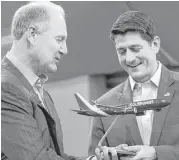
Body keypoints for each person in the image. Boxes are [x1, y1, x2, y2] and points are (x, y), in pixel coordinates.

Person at [88, 11, 179, 160]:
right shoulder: (103, 106)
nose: (129, 58)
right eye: (122, 51)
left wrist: (157, 153)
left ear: (155, 44)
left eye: (135, 49)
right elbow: (92, 156)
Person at [1, 2, 82, 160]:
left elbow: (55, 155)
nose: (65, 50)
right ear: (32, 34)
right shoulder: (5, 89)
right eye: (59, 39)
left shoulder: (40, 91)